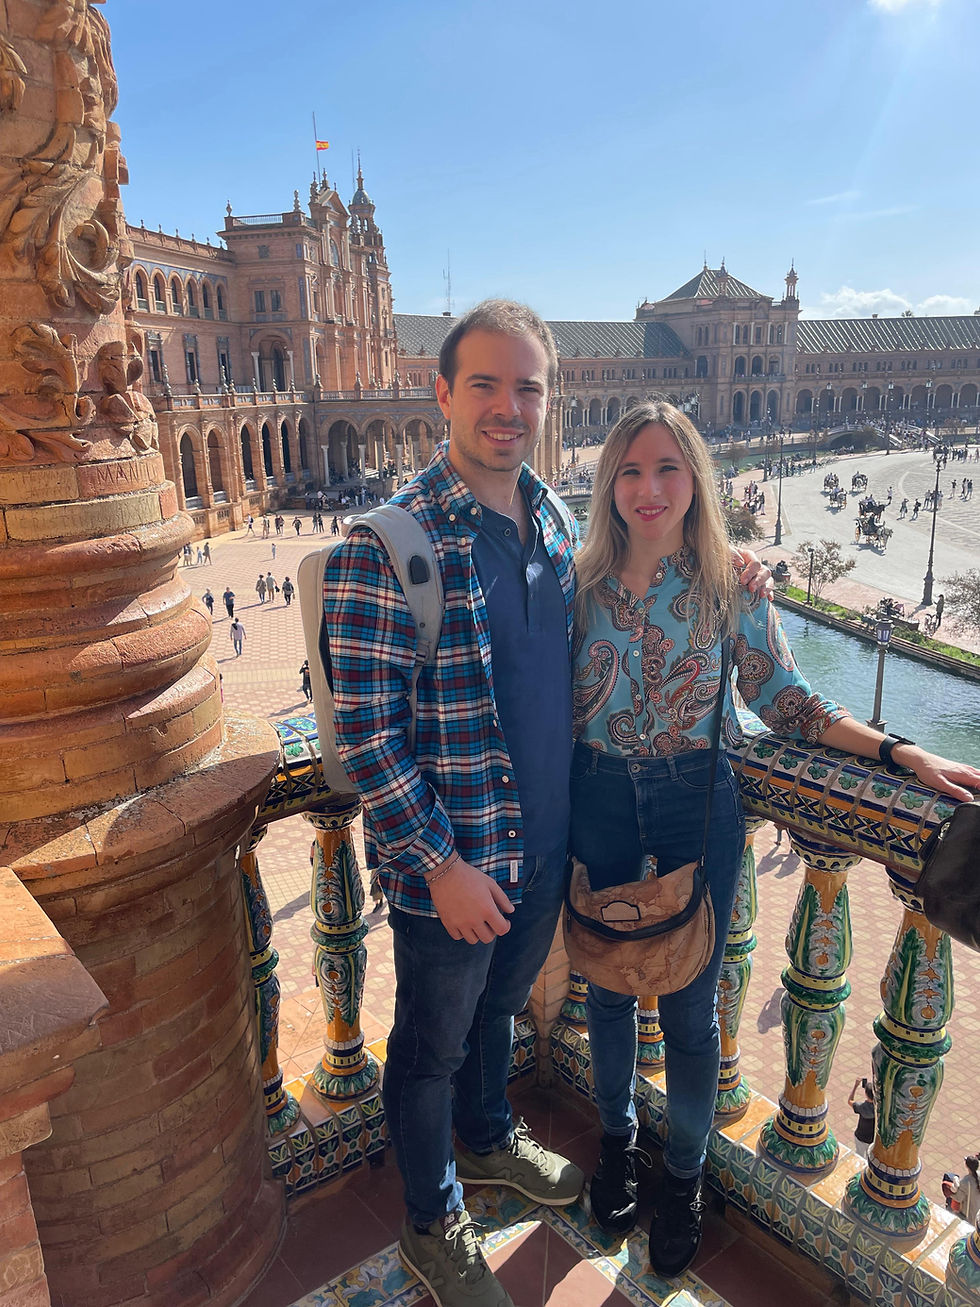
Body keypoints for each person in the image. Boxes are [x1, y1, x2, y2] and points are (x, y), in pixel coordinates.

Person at [323, 303, 771, 1307]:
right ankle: (432, 1217)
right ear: (441, 393)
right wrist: (438, 863)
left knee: (495, 1014)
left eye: (525, 386)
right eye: (484, 383)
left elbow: (637, 599)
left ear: (547, 399)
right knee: (428, 1047)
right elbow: (367, 735)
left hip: (547, 849)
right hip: (455, 865)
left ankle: (487, 1137)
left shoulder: (558, 525)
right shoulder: (386, 544)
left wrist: (736, 564)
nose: (507, 405)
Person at [568, 400, 980, 1279]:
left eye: (667, 467)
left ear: (695, 479)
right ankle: (616, 1144)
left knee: (691, 1009)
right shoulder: (578, 585)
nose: (648, 487)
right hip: (596, 795)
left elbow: (786, 701)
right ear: (609, 484)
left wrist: (899, 751)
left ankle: (684, 1177)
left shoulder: (729, 586)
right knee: (606, 987)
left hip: (697, 800)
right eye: (630, 470)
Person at [848, 1078, 875, 1159]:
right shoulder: (879, 1108)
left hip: (860, 1136)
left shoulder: (861, 1107)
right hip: (872, 1138)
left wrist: (855, 1086)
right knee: (870, 1157)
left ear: (866, 1094)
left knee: (859, 1156)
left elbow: (850, 1101)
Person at [954, 1157, 980, 1225]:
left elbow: (958, 1198)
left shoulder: (965, 1182)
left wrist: (949, 1193)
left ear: (966, 1165)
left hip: (969, 1215)